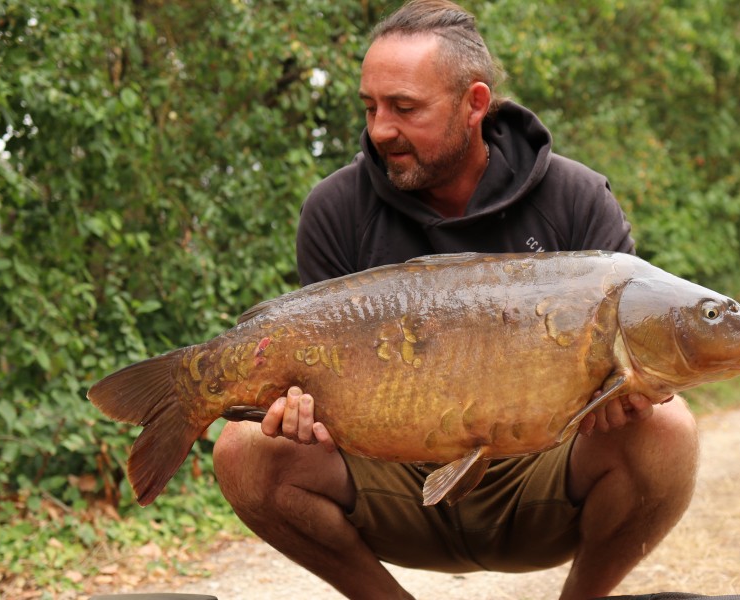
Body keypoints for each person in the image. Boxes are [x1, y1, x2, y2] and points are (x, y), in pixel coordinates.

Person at [213, 1, 699, 598]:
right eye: (370, 107)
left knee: (668, 428)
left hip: (544, 480)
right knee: (243, 449)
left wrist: (633, 397)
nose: (379, 129)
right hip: (389, 480)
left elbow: (641, 356)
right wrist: (297, 414)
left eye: (404, 108)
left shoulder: (576, 198)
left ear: (474, 103)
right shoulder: (335, 208)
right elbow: (316, 387)